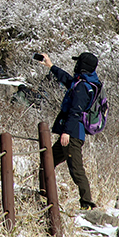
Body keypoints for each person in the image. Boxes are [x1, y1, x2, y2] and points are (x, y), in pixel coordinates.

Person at [38, 52, 101, 210]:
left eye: (78, 63)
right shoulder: (84, 82)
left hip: (72, 135)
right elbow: (67, 80)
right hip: (72, 133)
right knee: (47, 161)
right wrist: (51, 66)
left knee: (76, 170)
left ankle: (87, 203)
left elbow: (75, 111)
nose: (75, 65)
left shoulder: (82, 87)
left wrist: (66, 132)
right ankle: (43, 194)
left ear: (83, 66)